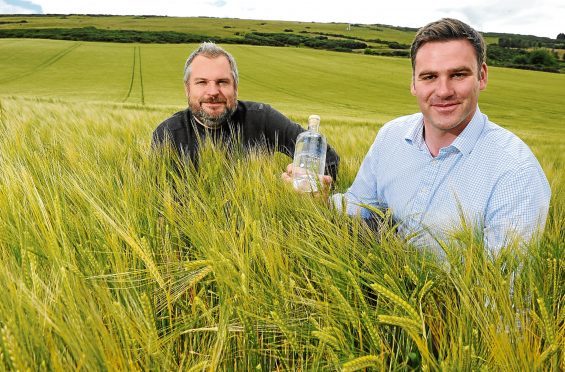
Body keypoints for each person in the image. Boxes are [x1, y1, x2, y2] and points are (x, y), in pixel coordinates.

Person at [283, 18, 551, 254]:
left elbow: (502, 295)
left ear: (481, 76)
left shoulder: (516, 174)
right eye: (429, 77)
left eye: (458, 74)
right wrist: (321, 199)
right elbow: (360, 206)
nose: (443, 90)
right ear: (413, 83)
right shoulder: (392, 136)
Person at [152, 42, 340, 180]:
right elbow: (161, 198)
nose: (212, 92)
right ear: (187, 89)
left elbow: (329, 161)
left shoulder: (262, 118)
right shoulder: (168, 134)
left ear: (236, 87)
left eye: (222, 82)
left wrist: (299, 180)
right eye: (201, 82)